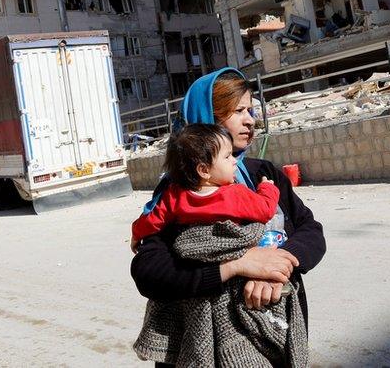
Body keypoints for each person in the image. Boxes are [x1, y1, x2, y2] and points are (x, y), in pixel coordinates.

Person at [131, 68, 326, 365]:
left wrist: (279, 265)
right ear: (206, 120)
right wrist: (237, 266)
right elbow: (150, 274)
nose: (250, 119)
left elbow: (310, 231)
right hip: (199, 350)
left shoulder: (266, 176)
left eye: (250, 109)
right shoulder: (181, 194)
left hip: (274, 337)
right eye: (237, 111)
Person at [130, 123, 280, 253]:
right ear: (204, 170)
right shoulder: (235, 193)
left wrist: (136, 233)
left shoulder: (174, 195)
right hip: (231, 250)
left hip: (193, 252)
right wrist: (267, 188)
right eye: (227, 156)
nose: (234, 161)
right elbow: (265, 210)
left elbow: (152, 221)